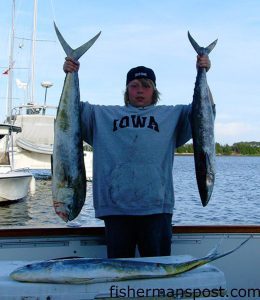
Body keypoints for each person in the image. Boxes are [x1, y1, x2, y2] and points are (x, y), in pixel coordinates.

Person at [63, 55, 213, 259]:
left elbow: (206, 111)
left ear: (154, 91)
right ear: (126, 91)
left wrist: (203, 71)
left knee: (158, 272)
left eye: (146, 85)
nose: (140, 90)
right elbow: (68, 112)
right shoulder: (101, 115)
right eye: (134, 86)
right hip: (115, 209)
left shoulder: (173, 115)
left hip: (156, 209)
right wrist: (71, 73)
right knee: (120, 273)